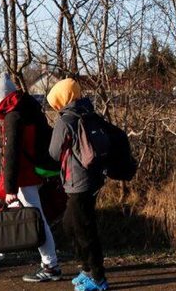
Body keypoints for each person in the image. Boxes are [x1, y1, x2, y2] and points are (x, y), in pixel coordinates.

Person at [0, 73, 62, 282]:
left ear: (2, 95)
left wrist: (10, 187)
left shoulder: (13, 116)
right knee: (20, 217)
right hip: (32, 171)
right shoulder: (28, 109)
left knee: (36, 220)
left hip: (24, 175)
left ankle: (51, 265)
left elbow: (11, 154)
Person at [47, 78, 109, 291]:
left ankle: (98, 278)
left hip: (78, 182)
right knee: (73, 225)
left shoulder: (66, 120)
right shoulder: (89, 112)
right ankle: (87, 269)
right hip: (93, 179)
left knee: (82, 230)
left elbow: (54, 153)